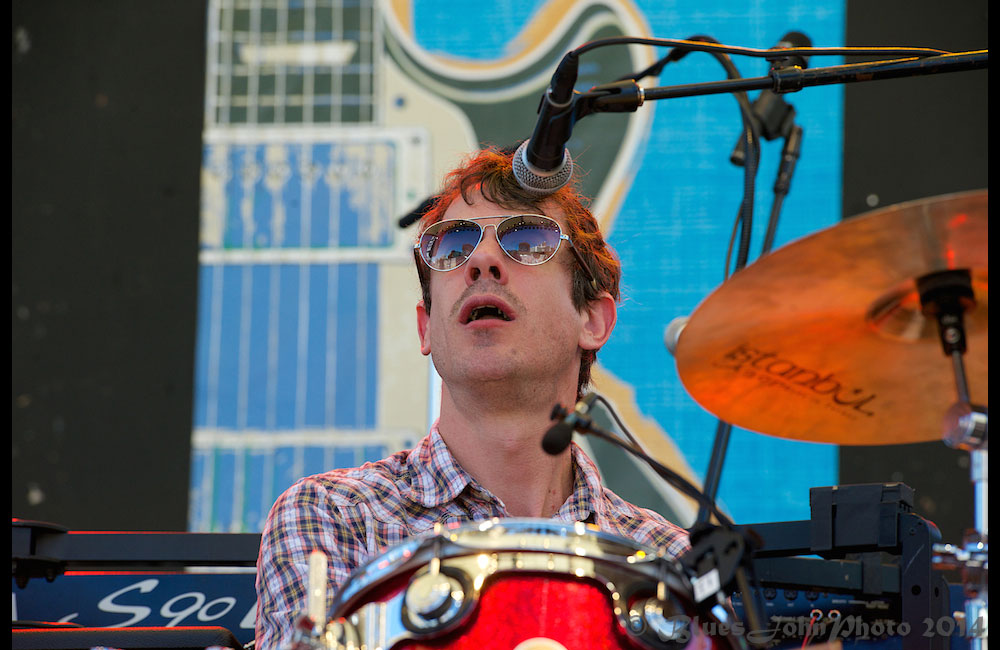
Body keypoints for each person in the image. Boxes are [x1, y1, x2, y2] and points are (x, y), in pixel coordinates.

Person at [254, 147, 689, 649]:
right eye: (453, 245)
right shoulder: (333, 517)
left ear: (592, 320)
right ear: (426, 328)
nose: (482, 260)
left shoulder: (667, 559)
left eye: (527, 240)